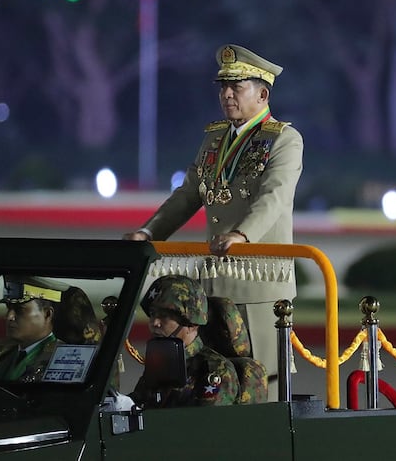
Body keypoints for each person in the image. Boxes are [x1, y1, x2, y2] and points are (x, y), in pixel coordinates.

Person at [124, 44, 304, 399]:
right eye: (223, 86)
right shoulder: (215, 138)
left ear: (262, 93)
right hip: (215, 282)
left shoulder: (283, 139)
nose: (226, 94)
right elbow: (188, 194)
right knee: (215, 382)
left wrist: (242, 234)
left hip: (259, 283)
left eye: (236, 87)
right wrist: (150, 232)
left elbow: (275, 196)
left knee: (260, 385)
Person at [130, 274, 238, 408]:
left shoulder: (214, 370)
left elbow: (204, 424)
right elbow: (140, 402)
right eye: (152, 314)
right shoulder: (161, 362)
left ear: (192, 325)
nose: (154, 323)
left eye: (164, 316)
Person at [0, 280, 63, 382]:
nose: (9, 316)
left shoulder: (63, 357)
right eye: (8, 308)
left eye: (20, 310)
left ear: (47, 314)